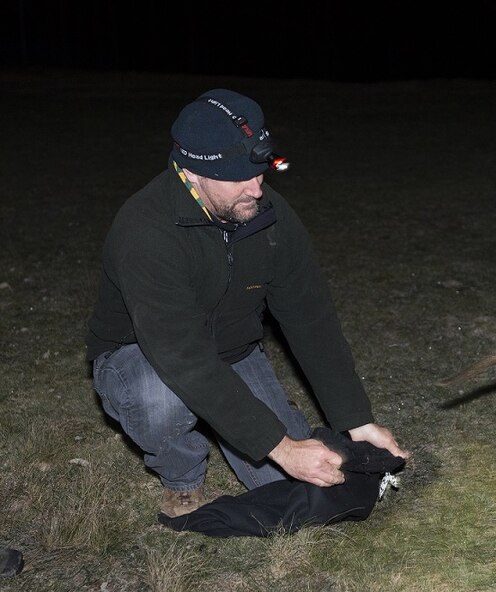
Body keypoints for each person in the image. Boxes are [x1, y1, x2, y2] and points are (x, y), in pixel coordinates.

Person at [86, 89, 409, 518]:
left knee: (294, 485)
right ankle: (181, 475)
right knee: (161, 400)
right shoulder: (146, 231)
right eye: (240, 175)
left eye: (260, 171)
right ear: (193, 172)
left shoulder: (269, 214)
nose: (257, 187)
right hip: (147, 359)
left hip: (233, 352)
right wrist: (281, 446)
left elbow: (311, 319)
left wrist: (357, 421)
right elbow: (182, 357)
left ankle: (240, 414)